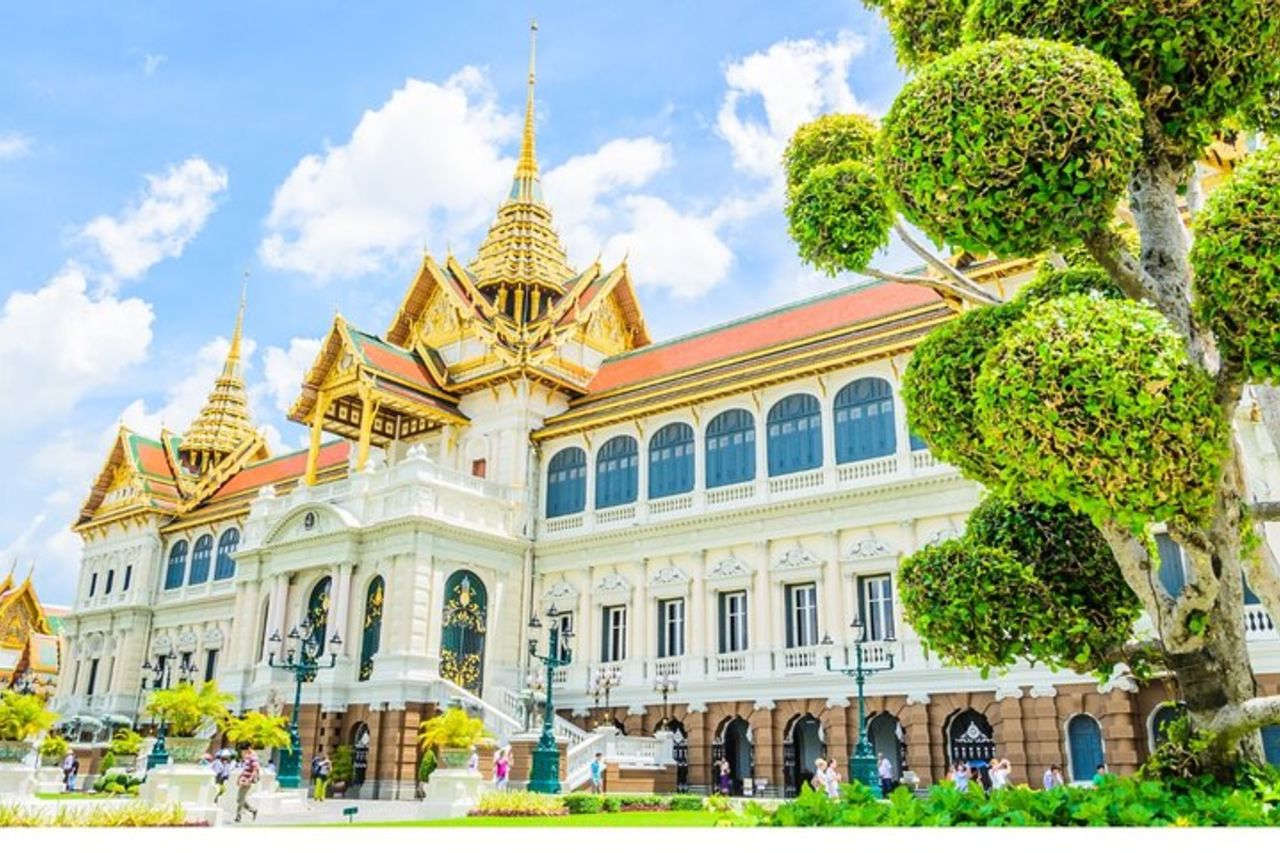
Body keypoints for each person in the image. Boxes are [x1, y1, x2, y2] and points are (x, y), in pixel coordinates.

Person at [235, 747, 261, 823]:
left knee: (241, 798)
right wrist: (239, 778)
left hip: (247, 780)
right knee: (239, 799)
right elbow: (245, 769)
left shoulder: (253, 757)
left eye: (243, 750)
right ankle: (253, 810)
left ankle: (238, 816)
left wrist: (249, 780)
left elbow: (255, 769)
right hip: (243, 779)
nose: (243, 752)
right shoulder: (248, 756)